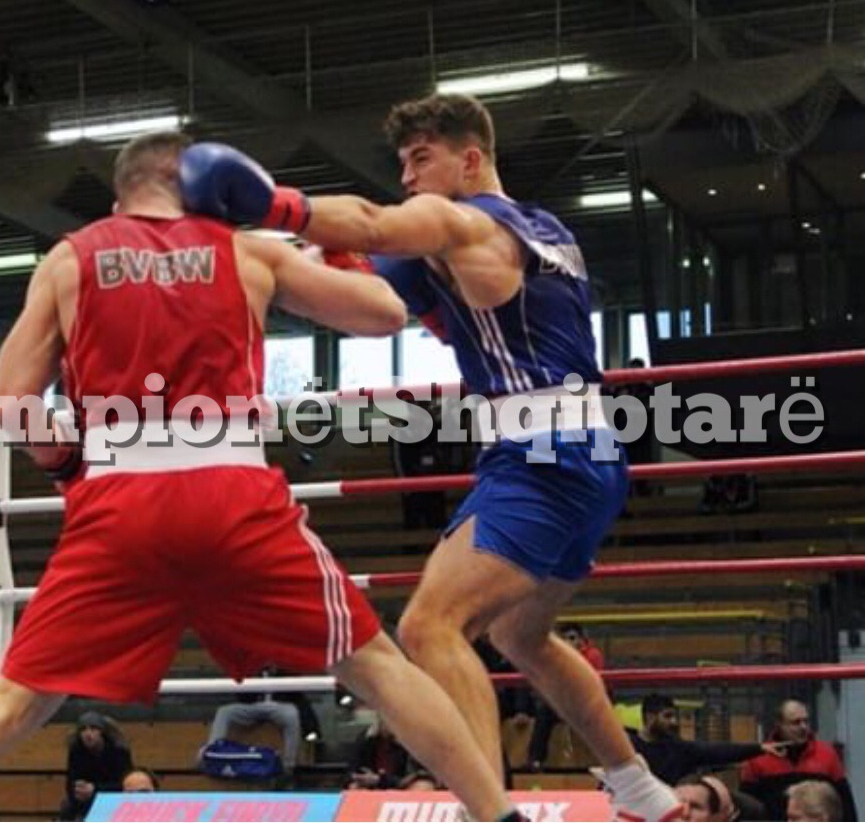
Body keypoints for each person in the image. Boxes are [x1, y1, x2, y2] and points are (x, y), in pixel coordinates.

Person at [0, 131, 525, 823]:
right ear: (201, 181)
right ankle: (500, 817)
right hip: (232, 491)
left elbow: (11, 401)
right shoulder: (246, 249)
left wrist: (70, 467)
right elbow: (384, 314)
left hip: (120, 499)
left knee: (12, 703)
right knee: (379, 668)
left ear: (123, 190)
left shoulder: (70, 259)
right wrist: (336, 249)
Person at [178, 93, 684, 821]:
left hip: (541, 456)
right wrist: (331, 265)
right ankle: (637, 784)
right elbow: (394, 307)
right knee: (520, 632)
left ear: (470, 158)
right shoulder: (544, 232)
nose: (409, 177)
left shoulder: (462, 219)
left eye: (422, 159)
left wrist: (276, 206)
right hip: (586, 452)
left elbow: (375, 222)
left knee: (428, 626)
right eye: (404, 163)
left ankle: (491, 811)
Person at [740, 699, 856, 821]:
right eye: (796, 723)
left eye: (806, 721)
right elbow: (747, 809)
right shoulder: (758, 759)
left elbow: (845, 804)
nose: (803, 727)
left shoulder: (827, 755)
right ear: (779, 724)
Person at [628, 693, 781, 785]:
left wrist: (758, 748)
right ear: (650, 717)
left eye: (674, 716)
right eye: (667, 716)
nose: (674, 722)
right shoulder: (628, 747)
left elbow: (716, 751)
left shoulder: (678, 747)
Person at [526, 623, 605, 770]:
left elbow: (589, 683)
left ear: (582, 640)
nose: (570, 642)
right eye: (566, 639)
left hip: (587, 702)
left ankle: (605, 760)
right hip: (564, 702)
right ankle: (535, 760)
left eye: (573, 638)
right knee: (544, 713)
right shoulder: (557, 657)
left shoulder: (593, 654)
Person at [59, 711, 133, 821]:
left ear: (101, 732)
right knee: (67, 807)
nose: (88, 734)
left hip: (113, 797)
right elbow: (70, 782)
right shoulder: (76, 751)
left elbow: (124, 784)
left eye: (93, 729)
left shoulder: (119, 752)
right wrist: (78, 791)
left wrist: (95, 789)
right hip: (86, 799)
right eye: (83, 730)